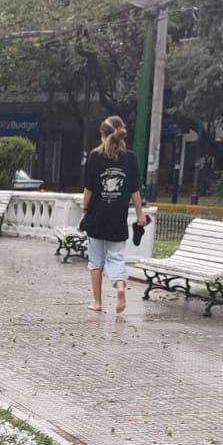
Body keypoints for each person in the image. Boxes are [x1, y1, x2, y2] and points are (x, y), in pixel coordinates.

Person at [80, 115, 148, 315]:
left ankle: (98, 303)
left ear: (103, 134)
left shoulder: (94, 157)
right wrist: (140, 214)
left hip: (96, 218)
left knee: (96, 263)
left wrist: (85, 209)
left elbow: (88, 190)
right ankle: (120, 287)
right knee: (117, 258)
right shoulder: (130, 158)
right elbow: (135, 191)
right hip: (117, 219)